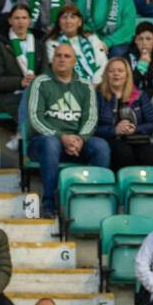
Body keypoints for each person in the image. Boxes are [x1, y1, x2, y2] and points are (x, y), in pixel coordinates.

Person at [26, 43, 107, 220]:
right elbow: (35, 118)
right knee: (50, 143)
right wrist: (61, 136)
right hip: (44, 142)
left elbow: (91, 118)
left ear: (74, 61)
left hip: (76, 143)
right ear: (52, 59)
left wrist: (80, 139)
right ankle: (49, 202)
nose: (62, 59)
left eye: (66, 56)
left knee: (101, 146)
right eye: (58, 56)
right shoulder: (41, 82)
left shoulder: (85, 85)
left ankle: (93, 199)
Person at [0, 4, 46, 136]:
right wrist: (21, 82)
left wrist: (35, 84)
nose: (21, 22)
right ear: (10, 21)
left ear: (29, 20)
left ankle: (22, 137)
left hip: (37, 94)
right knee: (33, 104)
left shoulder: (39, 44)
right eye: (17, 18)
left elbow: (46, 74)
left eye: (24, 18)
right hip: (9, 95)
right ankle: (23, 137)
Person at [96, 57, 153, 169]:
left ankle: (147, 186)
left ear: (127, 75)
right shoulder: (99, 96)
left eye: (120, 71)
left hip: (137, 138)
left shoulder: (140, 95)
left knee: (150, 154)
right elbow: (93, 127)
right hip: (112, 139)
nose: (116, 74)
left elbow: (152, 123)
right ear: (106, 75)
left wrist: (135, 129)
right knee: (123, 152)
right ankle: (127, 185)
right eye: (111, 71)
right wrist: (114, 130)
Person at [44, 4, 108, 88]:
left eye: (72, 17)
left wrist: (94, 84)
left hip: (99, 84)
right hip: (71, 87)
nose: (68, 21)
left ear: (80, 22)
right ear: (59, 22)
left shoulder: (91, 37)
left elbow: (104, 63)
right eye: (64, 17)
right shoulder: (52, 43)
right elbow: (58, 69)